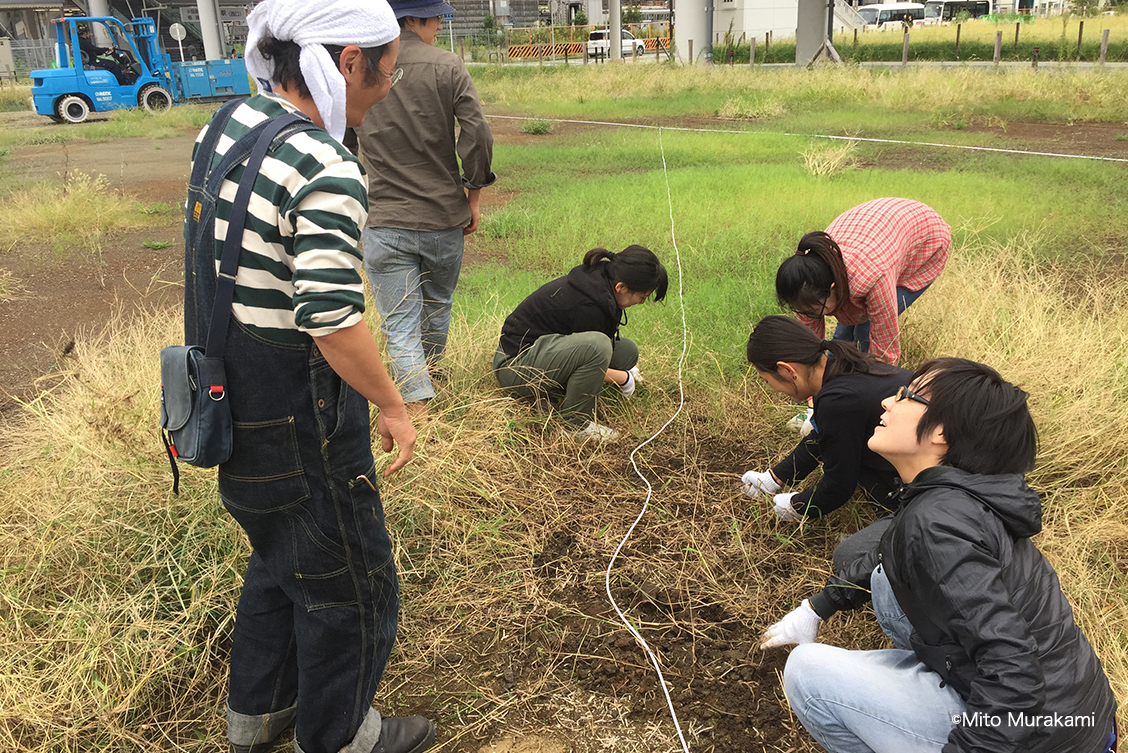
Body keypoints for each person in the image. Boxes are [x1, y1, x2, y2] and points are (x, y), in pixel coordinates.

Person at [185, 1, 433, 751]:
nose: (384, 92)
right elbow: (330, 319)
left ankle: (254, 723)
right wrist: (393, 404)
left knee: (279, 560)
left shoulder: (224, 126)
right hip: (300, 419)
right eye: (385, 75)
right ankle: (337, 737)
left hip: (223, 397)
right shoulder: (323, 164)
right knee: (356, 590)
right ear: (349, 61)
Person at [763, 358, 1118, 753]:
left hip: (1039, 736)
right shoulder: (955, 496)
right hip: (1081, 718)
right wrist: (817, 607)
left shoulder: (938, 522)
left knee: (808, 674)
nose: (886, 404)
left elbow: (1015, 675)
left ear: (942, 433)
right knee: (885, 579)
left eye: (904, 397)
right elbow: (890, 549)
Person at [356, 0, 495, 414]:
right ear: (413, 20)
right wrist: (473, 196)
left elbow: (339, 138)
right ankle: (426, 383)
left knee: (400, 319)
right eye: (437, 18)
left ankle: (416, 402)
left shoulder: (358, 69)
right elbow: (478, 135)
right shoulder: (447, 65)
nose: (439, 26)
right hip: (442, 218)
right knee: (436, 304)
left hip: (382, 218)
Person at [741, 315, 909, 521]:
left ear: (787, 370)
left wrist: (797, 507)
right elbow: (827, 435)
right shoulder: (842, 366)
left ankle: (900, 516)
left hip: (930, 488)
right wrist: (774, 478)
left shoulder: (837, 400)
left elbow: (839, 485)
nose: (773, 389)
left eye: (767, 381)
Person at [494, 245, 667, 442]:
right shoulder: (588, 305)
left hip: (544, 350)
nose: (642, 302)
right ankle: (574, 425)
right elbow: (593, 351)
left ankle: (558, 391)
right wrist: (622, 379)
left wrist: (625, 370)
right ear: (621, 287)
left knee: (627, 352)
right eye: (642, 297)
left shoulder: (602, 281)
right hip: (515, 367)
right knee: (598, 346)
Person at [776, 197, 950, 365]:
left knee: (864, 332)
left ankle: (858, 380)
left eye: (813, 310)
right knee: (843, 335)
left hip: (926, 238)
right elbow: (811, 340)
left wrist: (876, 385)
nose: (807, 315)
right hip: (872, 227)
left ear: (832, 287)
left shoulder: (873, 277)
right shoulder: (805, 280)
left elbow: (885, 348)